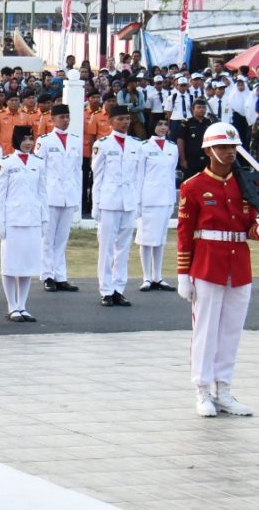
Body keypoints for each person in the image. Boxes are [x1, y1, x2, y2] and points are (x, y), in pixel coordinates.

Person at [177, 122, 257, 417]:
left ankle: (223, 388)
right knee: (205, 330)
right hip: (207, 263)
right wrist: (183, 274)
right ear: (209, 151)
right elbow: (185, 232)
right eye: (223, 147)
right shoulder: (194, 186)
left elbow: (250, 228)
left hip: (239, 264)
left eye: (233, 147)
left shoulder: (246, 184)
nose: (229, 152)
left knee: (231, 331)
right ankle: (202, 388)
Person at [92, 105, 143, 307]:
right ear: (111, 121)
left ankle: (118, 289)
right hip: (109, 201)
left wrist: (138, 202)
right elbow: (97, 176)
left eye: (127, 118)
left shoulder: (136, 144)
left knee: (123, 248)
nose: (125, 122)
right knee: (106, 249)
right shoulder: (102, 144)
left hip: (128, 201)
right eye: (120, 119)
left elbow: (138, 177)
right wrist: (96, 204)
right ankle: (106, 290)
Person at [0, 127, 46, 322]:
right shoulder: (6, 163)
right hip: (12, 220)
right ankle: (12, 306)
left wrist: (45, 218)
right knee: (10, 265)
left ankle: (22, 305)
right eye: (24, 139)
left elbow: (42, 192)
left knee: (27, 265)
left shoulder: (38, 163)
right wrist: (0, 222)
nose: (28, 143)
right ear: (16, 140)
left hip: (32, 219)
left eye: (30, 139)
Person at [34, 104, 82, 292]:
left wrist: (77, 196)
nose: (65, 120)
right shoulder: (44, 141)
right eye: (61, 117)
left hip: (68, 193)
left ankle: (60, 276)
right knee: (48, 237)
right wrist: (39, 197)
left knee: (62, 238)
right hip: (50, 193)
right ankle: (47, 275)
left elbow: (77, 171)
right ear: (52, 119)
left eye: (67, 117)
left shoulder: (75, 140)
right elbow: (39, 170)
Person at [135, 119, 179, 292]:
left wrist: (172, 199)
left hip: (165, 198)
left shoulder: (172, 147)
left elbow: (172, 174)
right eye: (159, 124)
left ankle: (158, 277)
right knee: (146, 240)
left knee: (160, 239)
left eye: (165, 125)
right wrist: (138, 201)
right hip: (148, 198)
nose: (162, 128)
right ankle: (146, 277)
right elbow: (139, 175)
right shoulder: (144, 147)